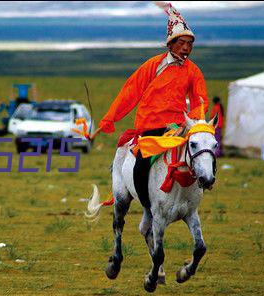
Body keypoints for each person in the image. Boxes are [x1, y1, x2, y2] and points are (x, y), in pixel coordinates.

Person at [88, 2, 209, 210]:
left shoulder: (193, 71)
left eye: (190, 44)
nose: (186, 48)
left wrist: (192, 121)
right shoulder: (152, 66)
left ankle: (195, 195)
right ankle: (147, 203)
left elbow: (200, 101)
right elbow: (129, 93)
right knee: (142, 164)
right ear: (170, 43)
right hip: (150, 126)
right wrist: (109, 119)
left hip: (177, 128)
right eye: (182, 43)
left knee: (201, 155)